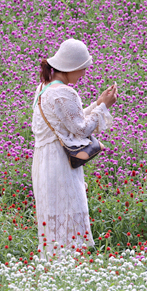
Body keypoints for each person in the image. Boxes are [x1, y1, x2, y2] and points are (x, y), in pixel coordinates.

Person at [30, 38, 118, 261]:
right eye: (81, 69)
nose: (83, 75)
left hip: (43, 162)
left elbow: (68, 121)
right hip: (60, 164)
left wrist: (97, 104)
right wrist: (104, 106)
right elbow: (81, 129)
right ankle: (69, 265)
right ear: (70, 67)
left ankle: (55, 265)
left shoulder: (44, 89)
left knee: (53, 217)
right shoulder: (65, 93)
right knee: (68, 214)